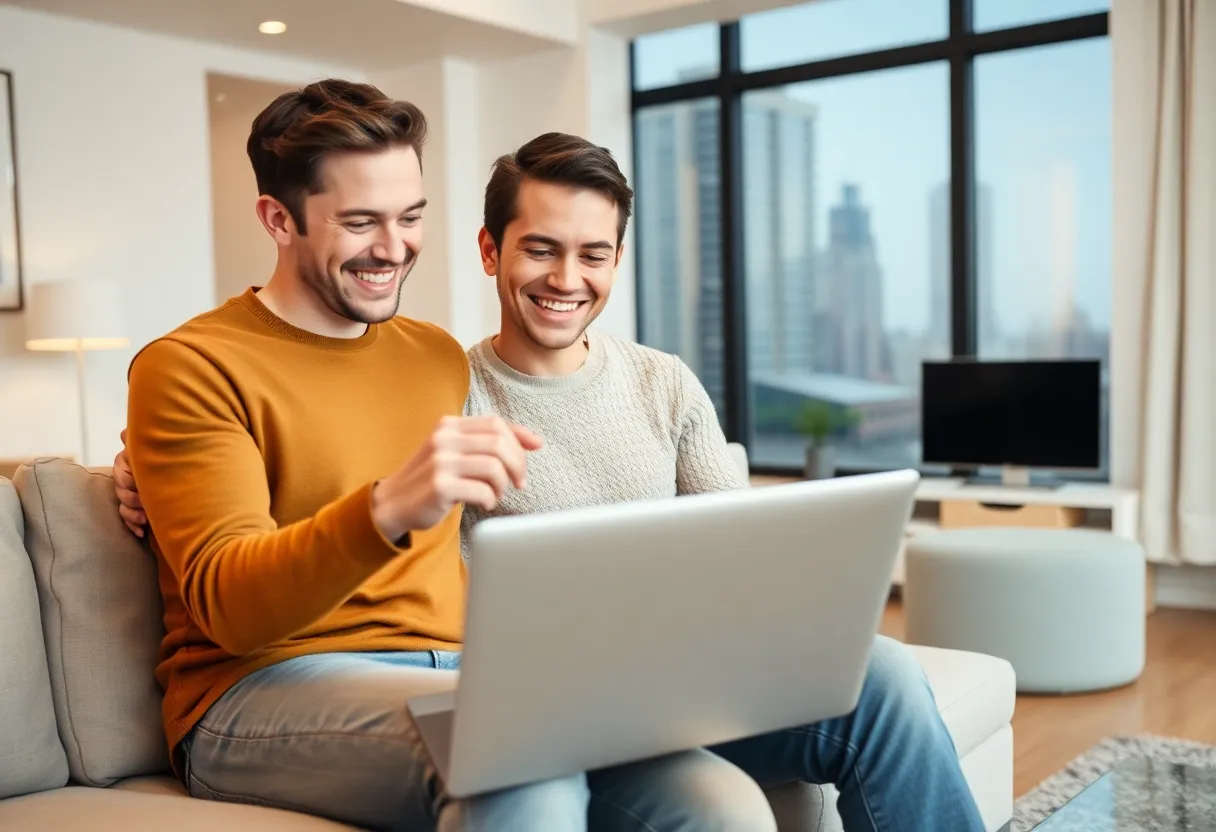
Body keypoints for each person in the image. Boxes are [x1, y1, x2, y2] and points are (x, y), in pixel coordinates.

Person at [115, 93, 985, 830]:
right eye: (360, 221)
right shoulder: (190, 366)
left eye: (410, 216)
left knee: (753, 776)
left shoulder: (431, 358)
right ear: (278, 219)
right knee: (520, 758)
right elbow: (231, 601)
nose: (393, 246)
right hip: (265, 686)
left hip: (478, 674)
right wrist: (381, 505)